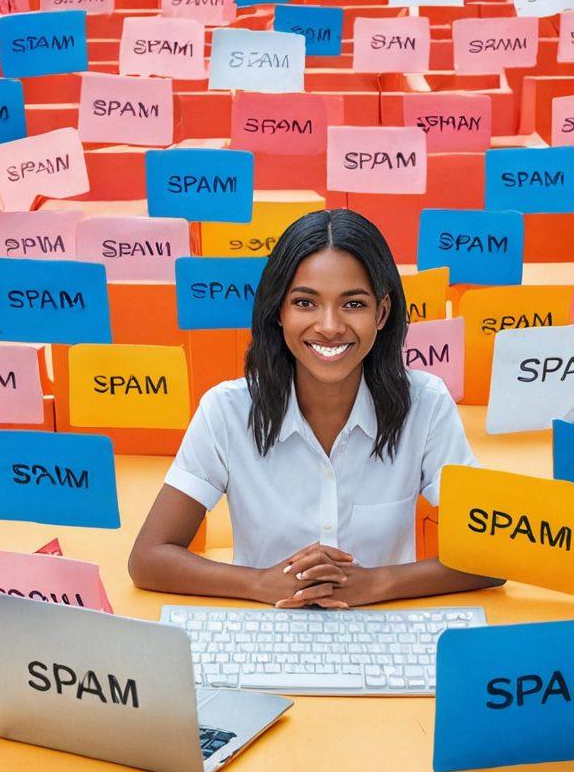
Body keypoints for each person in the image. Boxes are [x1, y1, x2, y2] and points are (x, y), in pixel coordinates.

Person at [129, 209, 503, 608]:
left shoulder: (426, 404)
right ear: (279, 312)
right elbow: (149, 558)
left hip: (386, 629)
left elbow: (494, 557)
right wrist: (259, 584)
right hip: (265, 626)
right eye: (305, 302)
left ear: (382, 312)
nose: (329, 326)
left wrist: (376, 584)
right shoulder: (226, 410)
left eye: (353, 304)